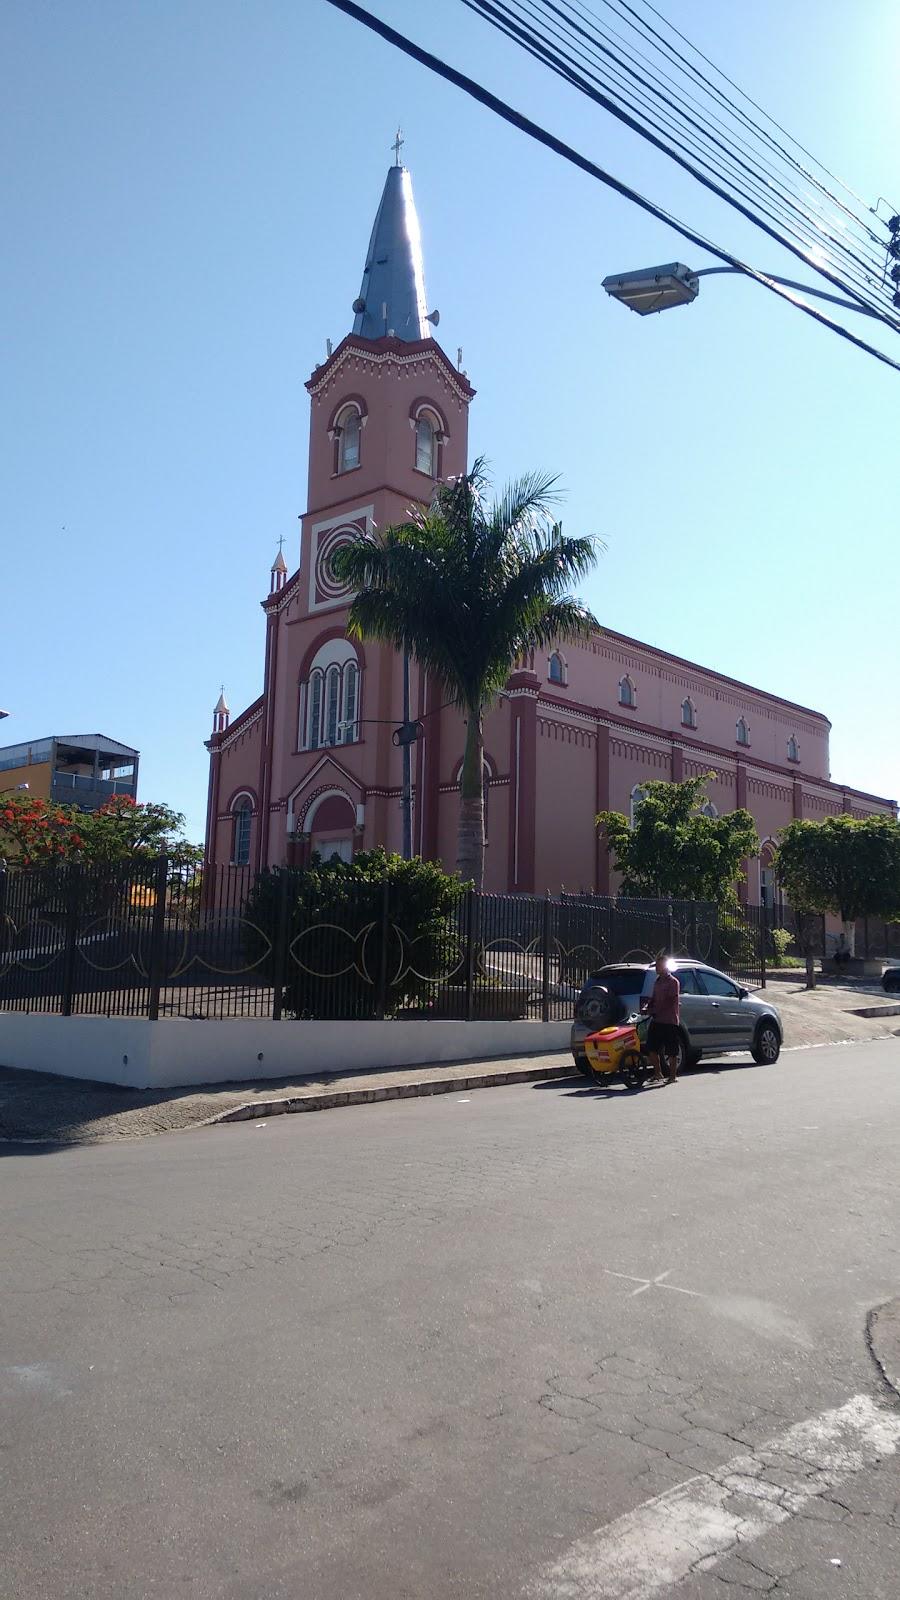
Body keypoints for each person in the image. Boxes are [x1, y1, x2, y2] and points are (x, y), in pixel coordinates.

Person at [645, 955, 681, 1084]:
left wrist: (657, 1010)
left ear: (665, 967)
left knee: (671, 1050)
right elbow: (653, 998)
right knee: (651, 1047)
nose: (656, 968)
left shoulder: (673, 982)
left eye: (658, 966)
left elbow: (670, 1000)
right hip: (657, 1020)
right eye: (656, 966)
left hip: (670, 1020)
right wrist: (648, 1006)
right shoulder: (657, 981)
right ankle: (657, 1073)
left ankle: (672, 1076)